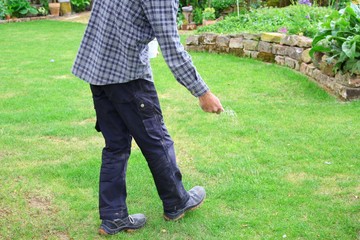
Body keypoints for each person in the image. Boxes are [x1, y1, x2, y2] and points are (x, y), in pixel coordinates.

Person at [72, 0, 224, 236]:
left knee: (116, 147)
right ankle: (176, 202)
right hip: (129, 78)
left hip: (98, 73)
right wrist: (202, 92)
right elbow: (172, 49)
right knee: (157, 141)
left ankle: (113, 217)